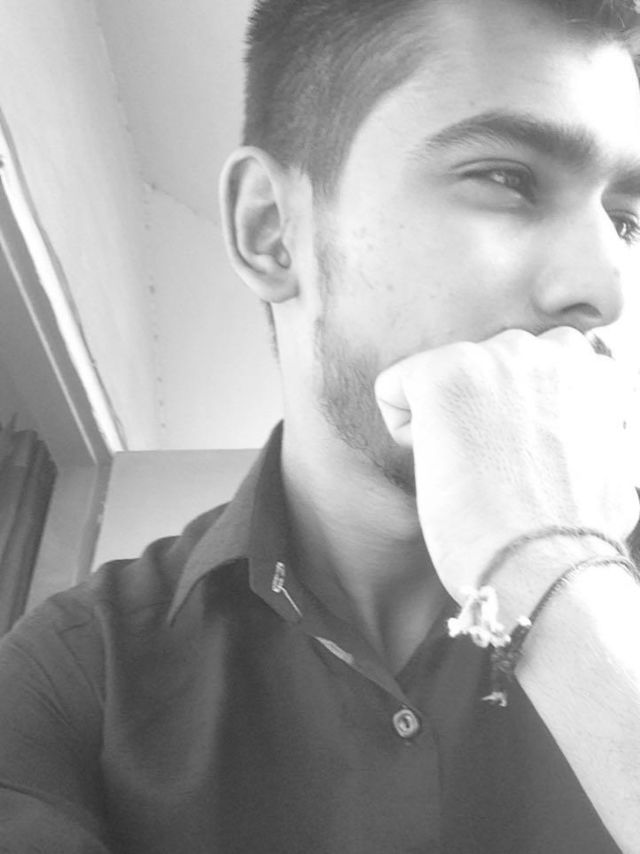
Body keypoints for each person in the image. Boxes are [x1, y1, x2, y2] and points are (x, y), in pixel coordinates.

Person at [2, 0, 640, 850]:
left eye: (624, 221)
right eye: (506, 178)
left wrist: (553, 573)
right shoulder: (73, 673)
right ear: (272, 231)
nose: (605, 288)